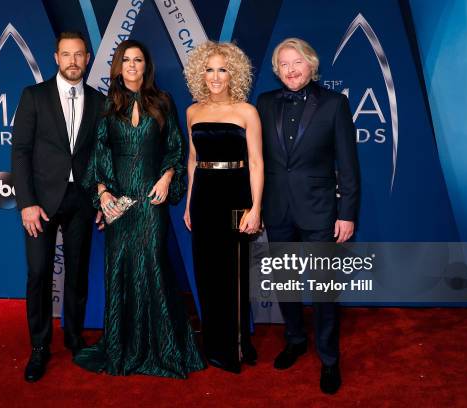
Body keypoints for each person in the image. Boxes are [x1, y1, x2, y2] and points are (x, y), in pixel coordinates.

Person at [73, 39, 205, 379]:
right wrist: (102, 193)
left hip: (150, 198)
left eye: (138, 60)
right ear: (118, 66)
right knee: (119, 269)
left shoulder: (163, 101)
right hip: (120, 202)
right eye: (126, 60)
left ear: (147, 66)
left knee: (153, 267)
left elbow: (175, 146)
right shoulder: (107, 105)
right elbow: (98, 153)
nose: (132, 66)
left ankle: (164, 347)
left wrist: (166, 178)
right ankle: (122, 346)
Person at [256, 38, 360, 394]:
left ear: (311, 64)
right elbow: (259, 162)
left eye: (296, 62)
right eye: (283, 64)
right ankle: (295, 339)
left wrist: (346, 213)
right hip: (277, 208)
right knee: (284, 283)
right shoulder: (266, 103)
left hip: (320, 211)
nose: (290, 69)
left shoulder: (335, 104)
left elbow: (348, 165)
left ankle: (329, 359)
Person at [11, 32, 106, 382]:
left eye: (79, 55)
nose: (73, 61)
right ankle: (39, 348)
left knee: (78, 274)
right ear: (55, 57)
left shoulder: (98, 101)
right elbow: (20, 151)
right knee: (38, 274)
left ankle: (75, 337)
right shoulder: (34, 96)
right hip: (41, 202)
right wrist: (27, 204)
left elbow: (100, 155)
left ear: (88, 57)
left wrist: (99, 196)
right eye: (66, 54)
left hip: (81, 200)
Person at [183, 41, 264, 374]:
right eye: (210, 69)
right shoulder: (192, 111)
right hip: (203, 198)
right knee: (206, 273)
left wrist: (256, 208)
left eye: (223, 69)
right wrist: (189, 204)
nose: (216, 77)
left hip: (235, 197)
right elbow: (192, 160)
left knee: (234, 274)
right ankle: (214, 345)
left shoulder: (247, 111)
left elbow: (257, 163)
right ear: (200, 73)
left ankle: (238, 345)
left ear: (234, 74)